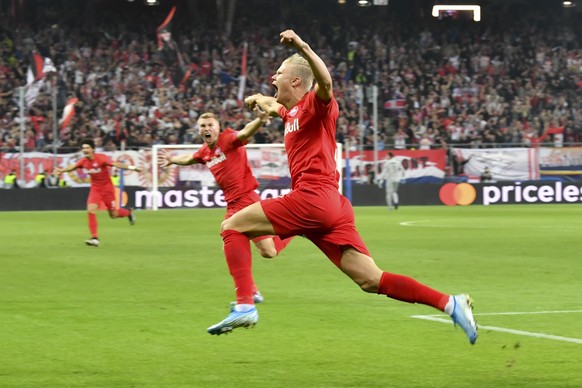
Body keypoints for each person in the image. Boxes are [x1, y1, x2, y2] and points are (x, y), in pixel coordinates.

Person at [213, 30, 477, 344]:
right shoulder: (292, 113)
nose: (273, 76)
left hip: (312, 197)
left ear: (296, 81)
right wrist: (258, 100)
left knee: (232, 226)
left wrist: (302, 46)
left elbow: (325, 83)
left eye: (279, 73)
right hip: (332, 206)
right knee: (370, 279)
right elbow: (274, 107)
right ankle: (450, 303)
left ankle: (245, 304)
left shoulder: (317, 105)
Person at [158, 110, 293, 306]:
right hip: (232, 205)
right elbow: (188, 159)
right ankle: (251, 291)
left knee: (268, 252)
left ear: (218, 128)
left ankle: (296, 229)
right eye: (203, 126)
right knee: (232, 245)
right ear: (199, 130)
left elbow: (244, 133)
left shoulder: (228, 140)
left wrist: (260, 120)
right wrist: (172, 160)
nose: (206, 128)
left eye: (210, 125)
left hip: (247, 200)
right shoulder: (205, 152)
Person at [53, 138, 141, 247]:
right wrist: (61, 170)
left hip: (107, 190)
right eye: (83, 148)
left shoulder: (101, 158)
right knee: (91, 210)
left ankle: (129, 212)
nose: (84, 150)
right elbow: (73, 166)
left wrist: (132, 167)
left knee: (114, 215)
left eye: (87, 148)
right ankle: (95, 238)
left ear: (93, 149)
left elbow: (116, 164)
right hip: (95, 189)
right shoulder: (83, 161)